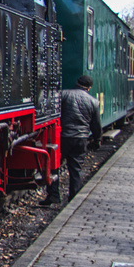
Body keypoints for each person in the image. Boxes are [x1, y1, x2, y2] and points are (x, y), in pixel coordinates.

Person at [41, 75, 102, 205]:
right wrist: (97, 140)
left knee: (54, 167)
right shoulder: (93, 102)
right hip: (80, 138)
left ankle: (53, 196)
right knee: (76, 168)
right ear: (89, 87)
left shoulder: (64, 94)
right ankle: (74, 198)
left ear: (76, 82)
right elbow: (96, 125)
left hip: (63, 137)